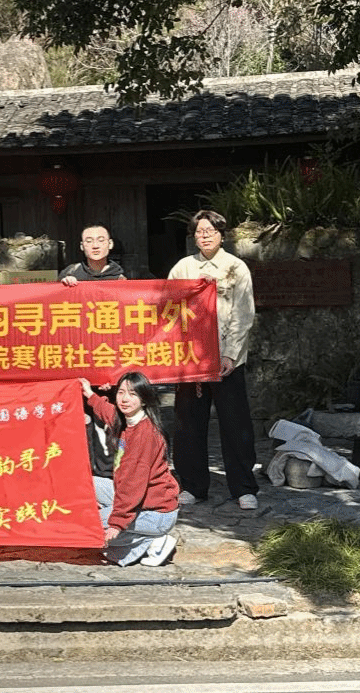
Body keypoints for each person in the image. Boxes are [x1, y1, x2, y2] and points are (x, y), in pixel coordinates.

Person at [168, 209, 260, 510]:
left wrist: (231, 353)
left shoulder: (236, 267)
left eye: (211, 231)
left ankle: (243, 487)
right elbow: (167, 307)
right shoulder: (183, 268)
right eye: (199, 231)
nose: (205, 235)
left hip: (226, 359)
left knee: (235, 424)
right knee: (188, 424)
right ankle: (192, 485)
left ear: (222, 235)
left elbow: (243, 314)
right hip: (191, 360)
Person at [79, 371, 179, 566]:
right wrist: (89, 394)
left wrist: (117, 522)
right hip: (134, 498)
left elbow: (133, 485)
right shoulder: (127, 420)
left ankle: (152, 543)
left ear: (144, 400)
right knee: (85, 483)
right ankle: (131, 531)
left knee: (88, 525)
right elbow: (109, 413)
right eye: (121, 392)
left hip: (155, 512)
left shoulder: (144, 435)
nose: (125, 399)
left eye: (133, 394)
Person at [61, 223, 126, 285]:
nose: (95, 246)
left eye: (101, 240)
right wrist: (65, 284)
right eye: (89, 241)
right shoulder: (70, 272)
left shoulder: (120, 277)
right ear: (82, 246)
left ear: (110, 244)